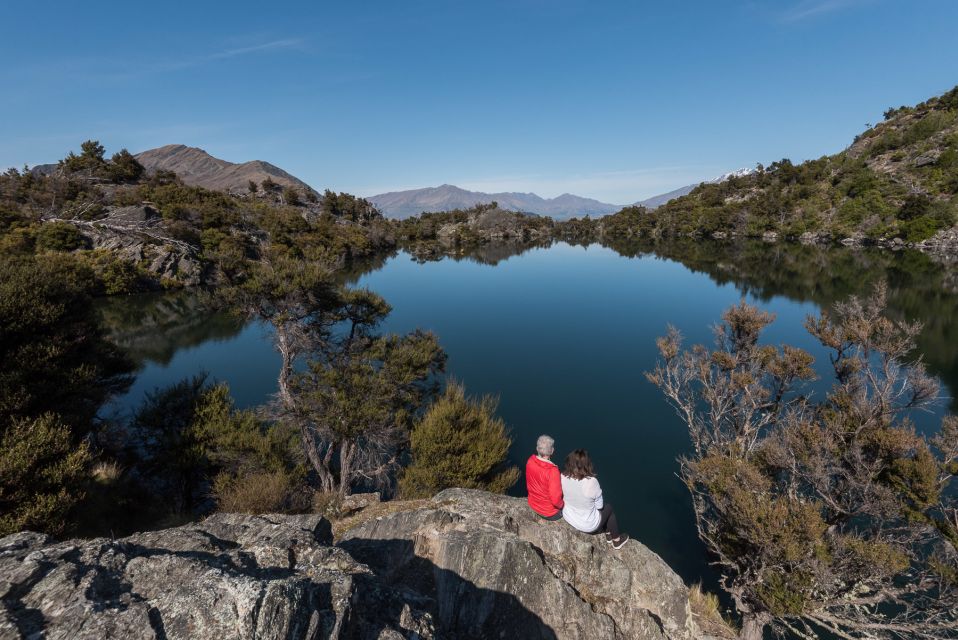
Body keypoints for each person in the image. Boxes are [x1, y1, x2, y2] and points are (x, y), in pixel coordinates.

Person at [560, 449, 629, 549]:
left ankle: (608, 534)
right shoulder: (591, 482)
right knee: (609, 508)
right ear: (587, 464)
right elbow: (599, 506)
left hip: (569, 517)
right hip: (587, 525)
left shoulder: (563, 476)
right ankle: (616, 541)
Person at [525, 434, 564, 520]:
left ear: (537, 448)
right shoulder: (553, 471)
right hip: (549, 513)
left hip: (532, 503)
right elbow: (556, 500)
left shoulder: (530, 461)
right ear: (552, 451)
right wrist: (563, 505)